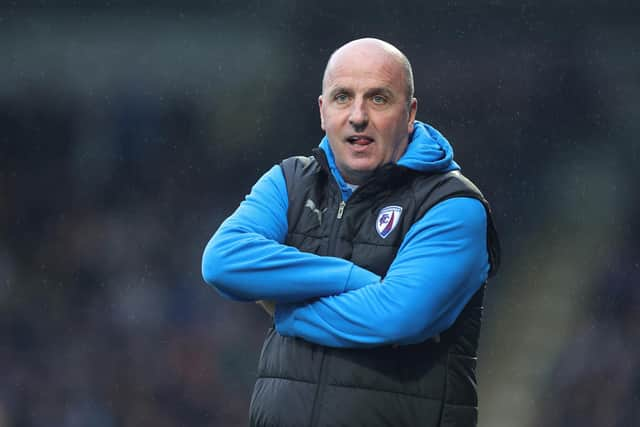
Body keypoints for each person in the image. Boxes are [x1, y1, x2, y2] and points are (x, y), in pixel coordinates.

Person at [201, 38, 500, 427]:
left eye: (378, 99)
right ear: (323, 112)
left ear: (410, 114)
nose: (358, 116)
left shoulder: (452, 205)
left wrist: (286, 309)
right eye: (343, 97)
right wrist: (351, 279)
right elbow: (223, 262)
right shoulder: (289, 182)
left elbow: (397, 316)